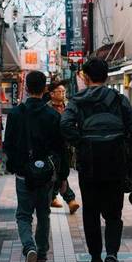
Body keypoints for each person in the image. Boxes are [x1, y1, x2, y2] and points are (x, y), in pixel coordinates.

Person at [60, 58, 132, 262]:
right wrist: (130, 163)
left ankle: (95, 260)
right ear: (105, 76)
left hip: (89, 165)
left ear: (85, 76)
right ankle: (111, 254)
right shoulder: (119, 99)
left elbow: (65, 124)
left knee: (91, 213)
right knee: (114, 214)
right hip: (116, 164)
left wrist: (82, 142)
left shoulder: (77, 100)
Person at [3, 71, 68, 262]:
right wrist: (63, 175)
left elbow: (8, 145)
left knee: (23, 215)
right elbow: (61, 147)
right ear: (45, 89)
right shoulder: (53, 115)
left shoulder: (15, 114)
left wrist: (14, 166)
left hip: (24, 173)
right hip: (46, 174)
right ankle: (41, 258)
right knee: (44, 214)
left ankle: (29, 247)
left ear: (27, 88)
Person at [46, 81, 80, 214]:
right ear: (52, 94)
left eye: (64, 92)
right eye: (60, 92)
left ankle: (53, 197)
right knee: (59, 172)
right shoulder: (46, 108)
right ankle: (70, 200)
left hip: (67, 145)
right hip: (51, 146)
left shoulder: (69, 107)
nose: (63, 94)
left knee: (60, 171)